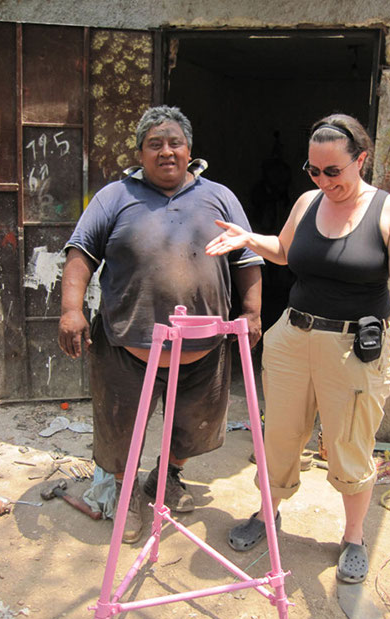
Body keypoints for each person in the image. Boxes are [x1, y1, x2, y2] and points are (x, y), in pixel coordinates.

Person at [206, 113, 390, 583]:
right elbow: (286, 250)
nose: (322, 180)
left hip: (354, 347)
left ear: (361, 160)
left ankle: (353, 536)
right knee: (280, 435)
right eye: (313, 170)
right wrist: (251, 238)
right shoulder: (308, 202)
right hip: (293, 337)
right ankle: (267, 513)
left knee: (348, 444)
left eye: (333, 171)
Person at [58, 105, 263, 543]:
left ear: (190, 150)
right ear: (140, 152)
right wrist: (71, 310)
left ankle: (167, 477)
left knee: (194, 428)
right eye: (155, 144)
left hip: (204, 350)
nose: (166, 151)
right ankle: (126, 489)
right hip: (128, 347)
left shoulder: (220, 196)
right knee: (119, 431)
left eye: (175, 143)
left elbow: (248, 257)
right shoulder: (114, 197)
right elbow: (80, 254)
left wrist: (252, 312)